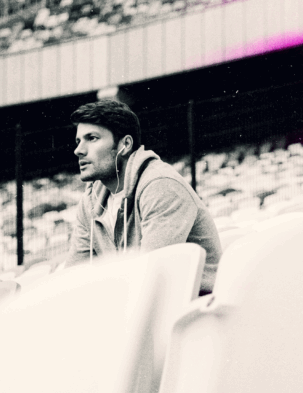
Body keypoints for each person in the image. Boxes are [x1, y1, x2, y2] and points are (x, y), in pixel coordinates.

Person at [67, 99, 222, 294]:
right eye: (78, 141)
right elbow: (72, 279)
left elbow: (151, 278)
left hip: (194, 307)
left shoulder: (160, 185)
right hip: (142, 305)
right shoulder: (90, 202)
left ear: (125, 145)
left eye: (92, 138)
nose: (79, 150)